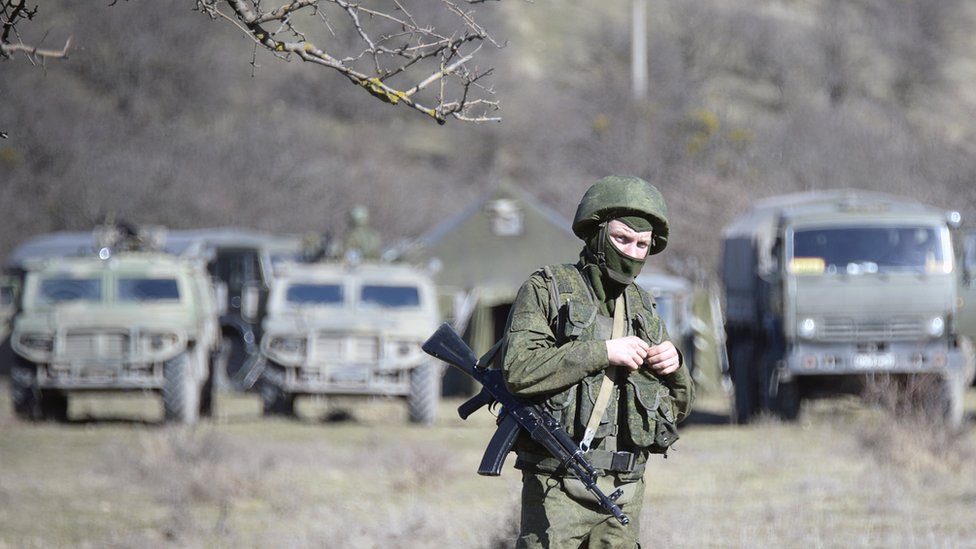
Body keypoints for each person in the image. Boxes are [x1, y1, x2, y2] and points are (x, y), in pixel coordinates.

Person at [500, 175, 695, 548]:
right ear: (597, 234)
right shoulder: (548, 289)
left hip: (623, 490)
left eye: (642, 244)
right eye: (622, 239)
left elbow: (679, 408)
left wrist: (677, 365)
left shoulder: (644, 307)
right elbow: (518, 370)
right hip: (556, 485)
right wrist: (603, 352)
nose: (633, 252)